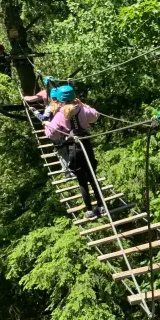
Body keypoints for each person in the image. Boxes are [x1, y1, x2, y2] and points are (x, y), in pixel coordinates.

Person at [44, 85, 105, 219]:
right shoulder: (82, 109)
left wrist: (47, 125)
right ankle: (101, 206)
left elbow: (50, 134)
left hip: (73, 148)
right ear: (74, 97)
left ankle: (89, 210)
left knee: (82, 180)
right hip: (86, 145)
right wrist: (84, 104)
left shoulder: (60, 115)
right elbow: (95, 115)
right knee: (92, 176)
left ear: (60, 99)